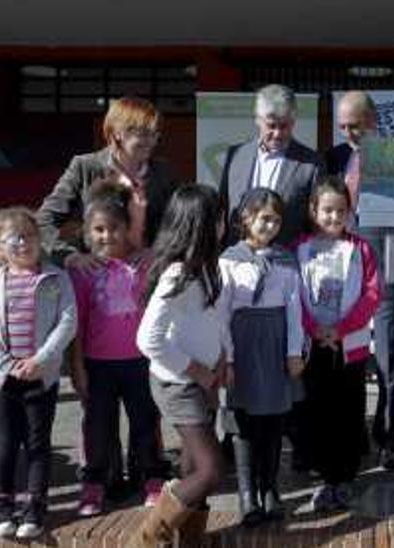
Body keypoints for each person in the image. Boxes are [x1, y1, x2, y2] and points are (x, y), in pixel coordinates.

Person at [326, 91, 394, 467]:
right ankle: (351, 439)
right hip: (343, 272)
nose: (348, 133)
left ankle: (390, 440)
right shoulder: (338, 157)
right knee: (347, 361)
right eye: (342, 126)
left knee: (389, 361)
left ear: (372, 120)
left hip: (387, 270)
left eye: (353, 125)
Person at [0, 207, 77, 540]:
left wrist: (41, 360)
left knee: (36, 444)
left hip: (41, 377)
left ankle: (35, 509)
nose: (22, 242)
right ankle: (2, 509)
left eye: (28, 235)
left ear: (39, 239)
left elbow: (67, 321)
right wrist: (5, 364)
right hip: (2, 380)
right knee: (4, 444)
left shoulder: (57, 279)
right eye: (12, 238)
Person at [134, 185, 232, 546]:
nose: (224, 224)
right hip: (178, 383)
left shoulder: (207, 267)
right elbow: (147, 339)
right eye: (218, 218)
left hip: (202, 381)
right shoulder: (178, 274)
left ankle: (190, 539)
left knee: (193, 466)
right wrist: (197, 370)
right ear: (200, 224)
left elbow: (210, 319)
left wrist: (223, 357)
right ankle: (147, 538)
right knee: (211, 470)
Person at [68, 180, 169, 517]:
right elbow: (77, 325)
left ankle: (152, 477)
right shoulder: (82, 273)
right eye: (98, 230)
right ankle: (95, 483)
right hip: (97, 365)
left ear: (127, 230)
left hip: (140, 362)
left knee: (144, 422)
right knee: (98, 426)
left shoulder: (144, 265)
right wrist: (78, 367)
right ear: (87, 233)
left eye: (114, 229)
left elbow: (164, 259)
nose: (106, 236)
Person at [293, 176, 382, 512]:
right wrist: (314, 328)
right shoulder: (298, 248)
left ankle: (344, 477)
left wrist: (342, 328)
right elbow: (293, 295)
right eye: (327, 210)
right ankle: (322, 479)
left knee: (348, 410)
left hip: (350, 345)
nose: (334, 217)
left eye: (341, 211)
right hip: (311, 344)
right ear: (313, 210)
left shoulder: (361, 249)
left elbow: (372, 294)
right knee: (314, 410)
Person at [219, 188, 305, 526]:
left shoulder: (285, 260)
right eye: (264, 218)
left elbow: (295, 310)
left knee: (272, 421)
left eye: (276, 220)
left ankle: (270, 488)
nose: (270, 225)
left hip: (275, 345)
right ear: (246, 219)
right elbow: (222, 312)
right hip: (241, 347)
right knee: (243, 423)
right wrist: (226, 357)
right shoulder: (229, 259)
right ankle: (246, 494)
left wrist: (294, 352)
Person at [38, 96, 180, 268]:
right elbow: (43, 220)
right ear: (118, 133)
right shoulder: (85, 167)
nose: (150, 142)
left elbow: (180, 223)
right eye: (143, 134)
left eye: (154, 134)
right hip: (95, 277)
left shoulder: (163, 172)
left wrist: (158, 251)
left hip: (148, 276)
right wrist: (69, 256)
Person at [218, 83, 322, 247]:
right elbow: (223, 210)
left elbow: (315, 222)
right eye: (271, 125)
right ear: (257, 120)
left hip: (288, 261)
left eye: (284, 126)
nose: (278, 133)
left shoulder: (311, 164)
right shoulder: (235, 156)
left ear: (294, 122)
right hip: (236, 259)